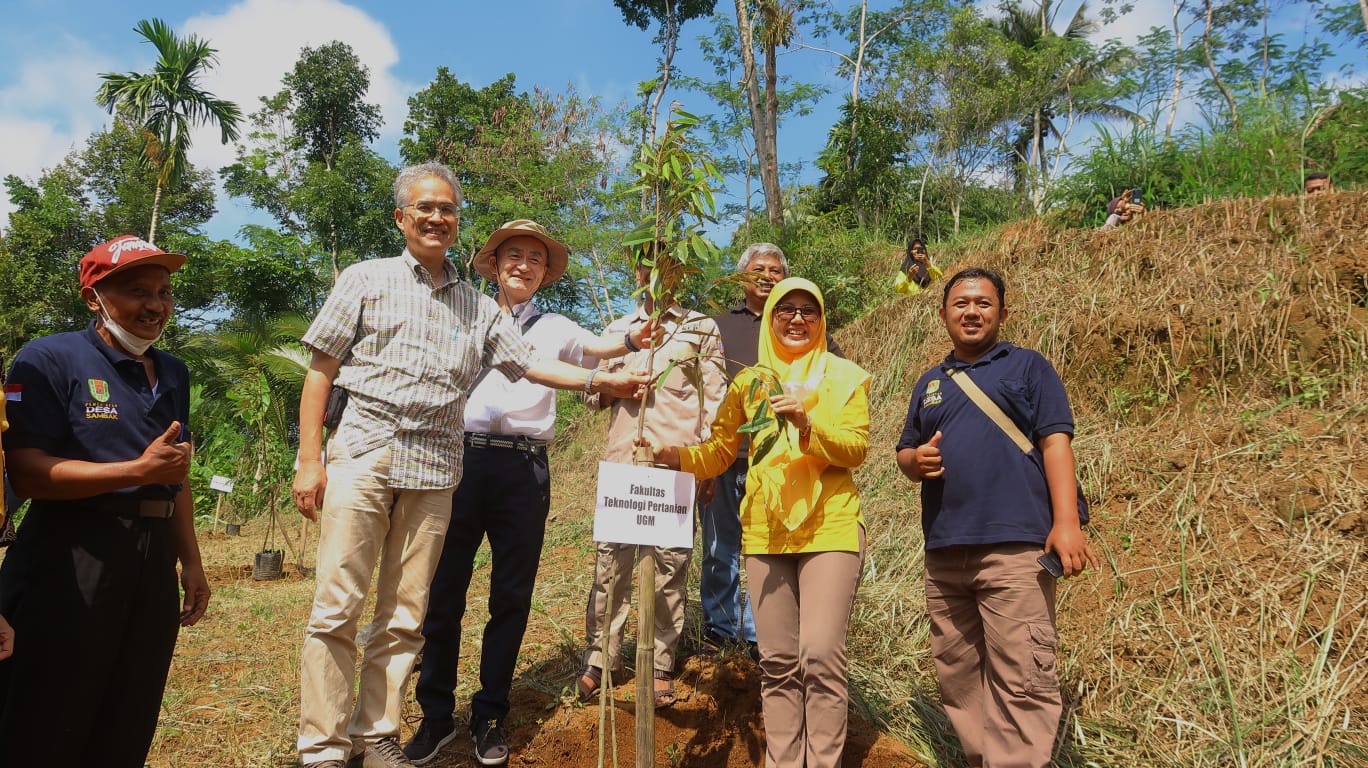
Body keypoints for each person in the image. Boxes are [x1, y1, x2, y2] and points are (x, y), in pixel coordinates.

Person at [292, 164, 648, 768]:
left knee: (406, 612)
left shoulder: (476, 308)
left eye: (447, 210)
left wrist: (608, 372)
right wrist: (309, 459)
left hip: (437, 468)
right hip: (371, 452)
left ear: (458, 223)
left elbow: (535, 365)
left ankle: (377, 734)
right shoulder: (365, 279)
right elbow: (320, 370)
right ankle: (325, 747)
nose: (436, 218)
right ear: (402, 217)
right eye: (424, 208)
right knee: (340, 606)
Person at [403, 220, 659, 767]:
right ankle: (436, 715)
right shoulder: (464, 309)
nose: (524, 265)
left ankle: (491, 712)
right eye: (513, 255)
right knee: (443, 590)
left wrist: (636, 338)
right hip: (459, 458)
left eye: (535, 260)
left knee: (511, 595)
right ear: (493, 264)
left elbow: (598, 346)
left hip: (523, 470)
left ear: (545, 274)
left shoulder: (558, 325)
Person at [0, 235, 209, 766]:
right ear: (94, 297)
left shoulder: (173, 371)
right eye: (138, 291)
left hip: (152, 556)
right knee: (49, 708)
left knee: (131, 704)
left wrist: (191, 561)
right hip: (72, 553)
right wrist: (134, 470)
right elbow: (27, 473)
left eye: (164, 292)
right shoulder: (49, 358)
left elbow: (175, 475)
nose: (156, 305)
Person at [647, 277, 870, 767]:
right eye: (784, 309)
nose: (796, 318)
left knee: (821, 654)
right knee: (778, 661)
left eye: (807, 310)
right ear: (769, 319)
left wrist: (809, 427)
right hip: (766, 530)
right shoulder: (750, 382)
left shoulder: (845, 376)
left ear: (821, 320)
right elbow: (722, 450)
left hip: (829, 525)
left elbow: (857, 448)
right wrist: (672, 454)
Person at [895, 267, 1099, 768]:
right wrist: (914, 463)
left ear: (1002, 313)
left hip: (1015, 551)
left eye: (983, 303)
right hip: (945, 553)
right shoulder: (930, 383)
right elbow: (904, 452)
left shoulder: (1028, 368)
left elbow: (1055, 442)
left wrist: (1066, 522)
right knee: (958, 672)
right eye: (960, 303)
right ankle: (984, 759)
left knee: (1020, 674)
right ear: (943, 314)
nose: (971, 311)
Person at [576, 247, 727, 709]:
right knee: (610, 567)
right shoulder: (617, 332)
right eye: (645, 263)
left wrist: (705, 462)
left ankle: (660, 664)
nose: (654, 272)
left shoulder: (700, 328)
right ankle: (602, 658)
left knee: (669, 567)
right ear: (636, 271)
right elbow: (590, 393)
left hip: (675, 466)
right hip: (624, 464)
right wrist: (614, 384)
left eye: (666, 264)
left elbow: (715, 398)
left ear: (678, 272)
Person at [703, 243, 844, 656]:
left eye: (775, 269)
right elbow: (704, 392)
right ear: (742, 276)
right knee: (720, 545)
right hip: (728, 453)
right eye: (757, 269)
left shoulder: (804, 327)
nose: (766, 275)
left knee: (779, 547)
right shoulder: (716, 327)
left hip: (788, 458)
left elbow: (833, 383)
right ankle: (721, 629)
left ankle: (771, 632)